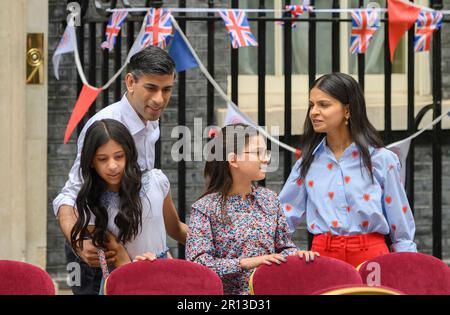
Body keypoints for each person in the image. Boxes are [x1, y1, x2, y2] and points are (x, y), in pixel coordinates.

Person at [53, 45, 177, 294]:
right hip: (98, 252)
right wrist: (79, 243)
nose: (159, 99)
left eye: (167, 90)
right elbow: (68, 196)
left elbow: (142, 192)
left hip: (137, 249)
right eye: (151, 88)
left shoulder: (151, 120)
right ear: (130, 82)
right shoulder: (103, 126)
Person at [279, 72, 417, 268]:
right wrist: (288, 253)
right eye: (312, 105)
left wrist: (408, 266)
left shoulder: (381, 159)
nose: (314, 112)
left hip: (373, 259)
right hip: (322, 258)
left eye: (323, 105)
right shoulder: (307, 163)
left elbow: (400, 223)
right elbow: (282, 218)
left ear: (347, 110)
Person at [186, 123, 319, 295]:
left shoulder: (270, 199)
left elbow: (284, 247)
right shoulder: (205, 208)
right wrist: (246, 262)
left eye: (266, 153)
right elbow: (198, 264)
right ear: (233, 159)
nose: (266, 159)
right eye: (258, 153)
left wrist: (297, 255)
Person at [70, 119, 187, 294]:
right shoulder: (90, 201)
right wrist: (140, 270)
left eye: (119, 156)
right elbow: (119, 254)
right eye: (103, 159)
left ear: (129, 153)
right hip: (122, 281)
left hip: (162, 273)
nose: (112, 166)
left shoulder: (156, 182)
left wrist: (215, 244)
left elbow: (176, 228)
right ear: (92, 162)